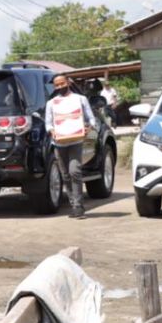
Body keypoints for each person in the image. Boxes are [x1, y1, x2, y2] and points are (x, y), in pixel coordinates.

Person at [45, 74, 95, 219]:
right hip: (59, 143)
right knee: (65, 175)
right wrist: (52, 131)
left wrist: (88, 128)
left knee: (75, 172)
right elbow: (48, 123)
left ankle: (78, 207)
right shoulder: (52, 103)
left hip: (76, 142)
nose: (60, 87)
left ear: (68, 82)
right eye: (57, 85)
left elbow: (91, 119)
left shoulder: (80, 99)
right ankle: (74, 203)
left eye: (62, 83)